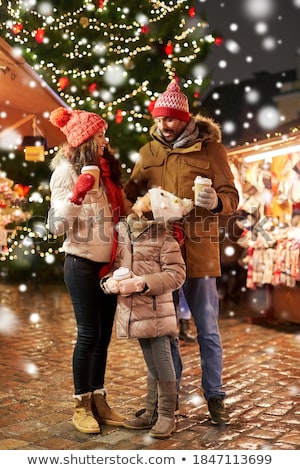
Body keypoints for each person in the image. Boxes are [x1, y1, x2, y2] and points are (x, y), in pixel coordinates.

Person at [124, 81, 239, 425]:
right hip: (161, 254)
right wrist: (141, 207)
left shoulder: (211, 150)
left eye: (170, 120)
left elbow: (231, 196)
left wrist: (217, 201)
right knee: (164, 329)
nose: (164, 125)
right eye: (159, 120)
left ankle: (215, 396)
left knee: (206, 328)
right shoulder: (148, 154)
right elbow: (130, 196)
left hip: (200, 251)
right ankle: (167, 402)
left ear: (184, 119)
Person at [48, 107, 127, 434]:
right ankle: (81, 404)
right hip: (80, 262)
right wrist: (77, 194)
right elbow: (55, 226)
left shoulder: (107, 172)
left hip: (109, 265)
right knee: (89, 334)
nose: (104, 141)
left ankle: (98, 399)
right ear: (84, 141)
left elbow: (118, 216)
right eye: (98, 136)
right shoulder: (66, 171)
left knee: (103, 337)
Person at [101, 189, 187, 438]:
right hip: (134, 309)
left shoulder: (164, 237)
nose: (137, 203)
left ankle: (167, 415)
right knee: (151, 365)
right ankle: (151, 412)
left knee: (162, 362)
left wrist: (142, 282)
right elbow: (118, 265)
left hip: (156, 310)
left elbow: (176, 274)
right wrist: (111, 282)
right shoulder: (125, 233)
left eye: (143, 203)